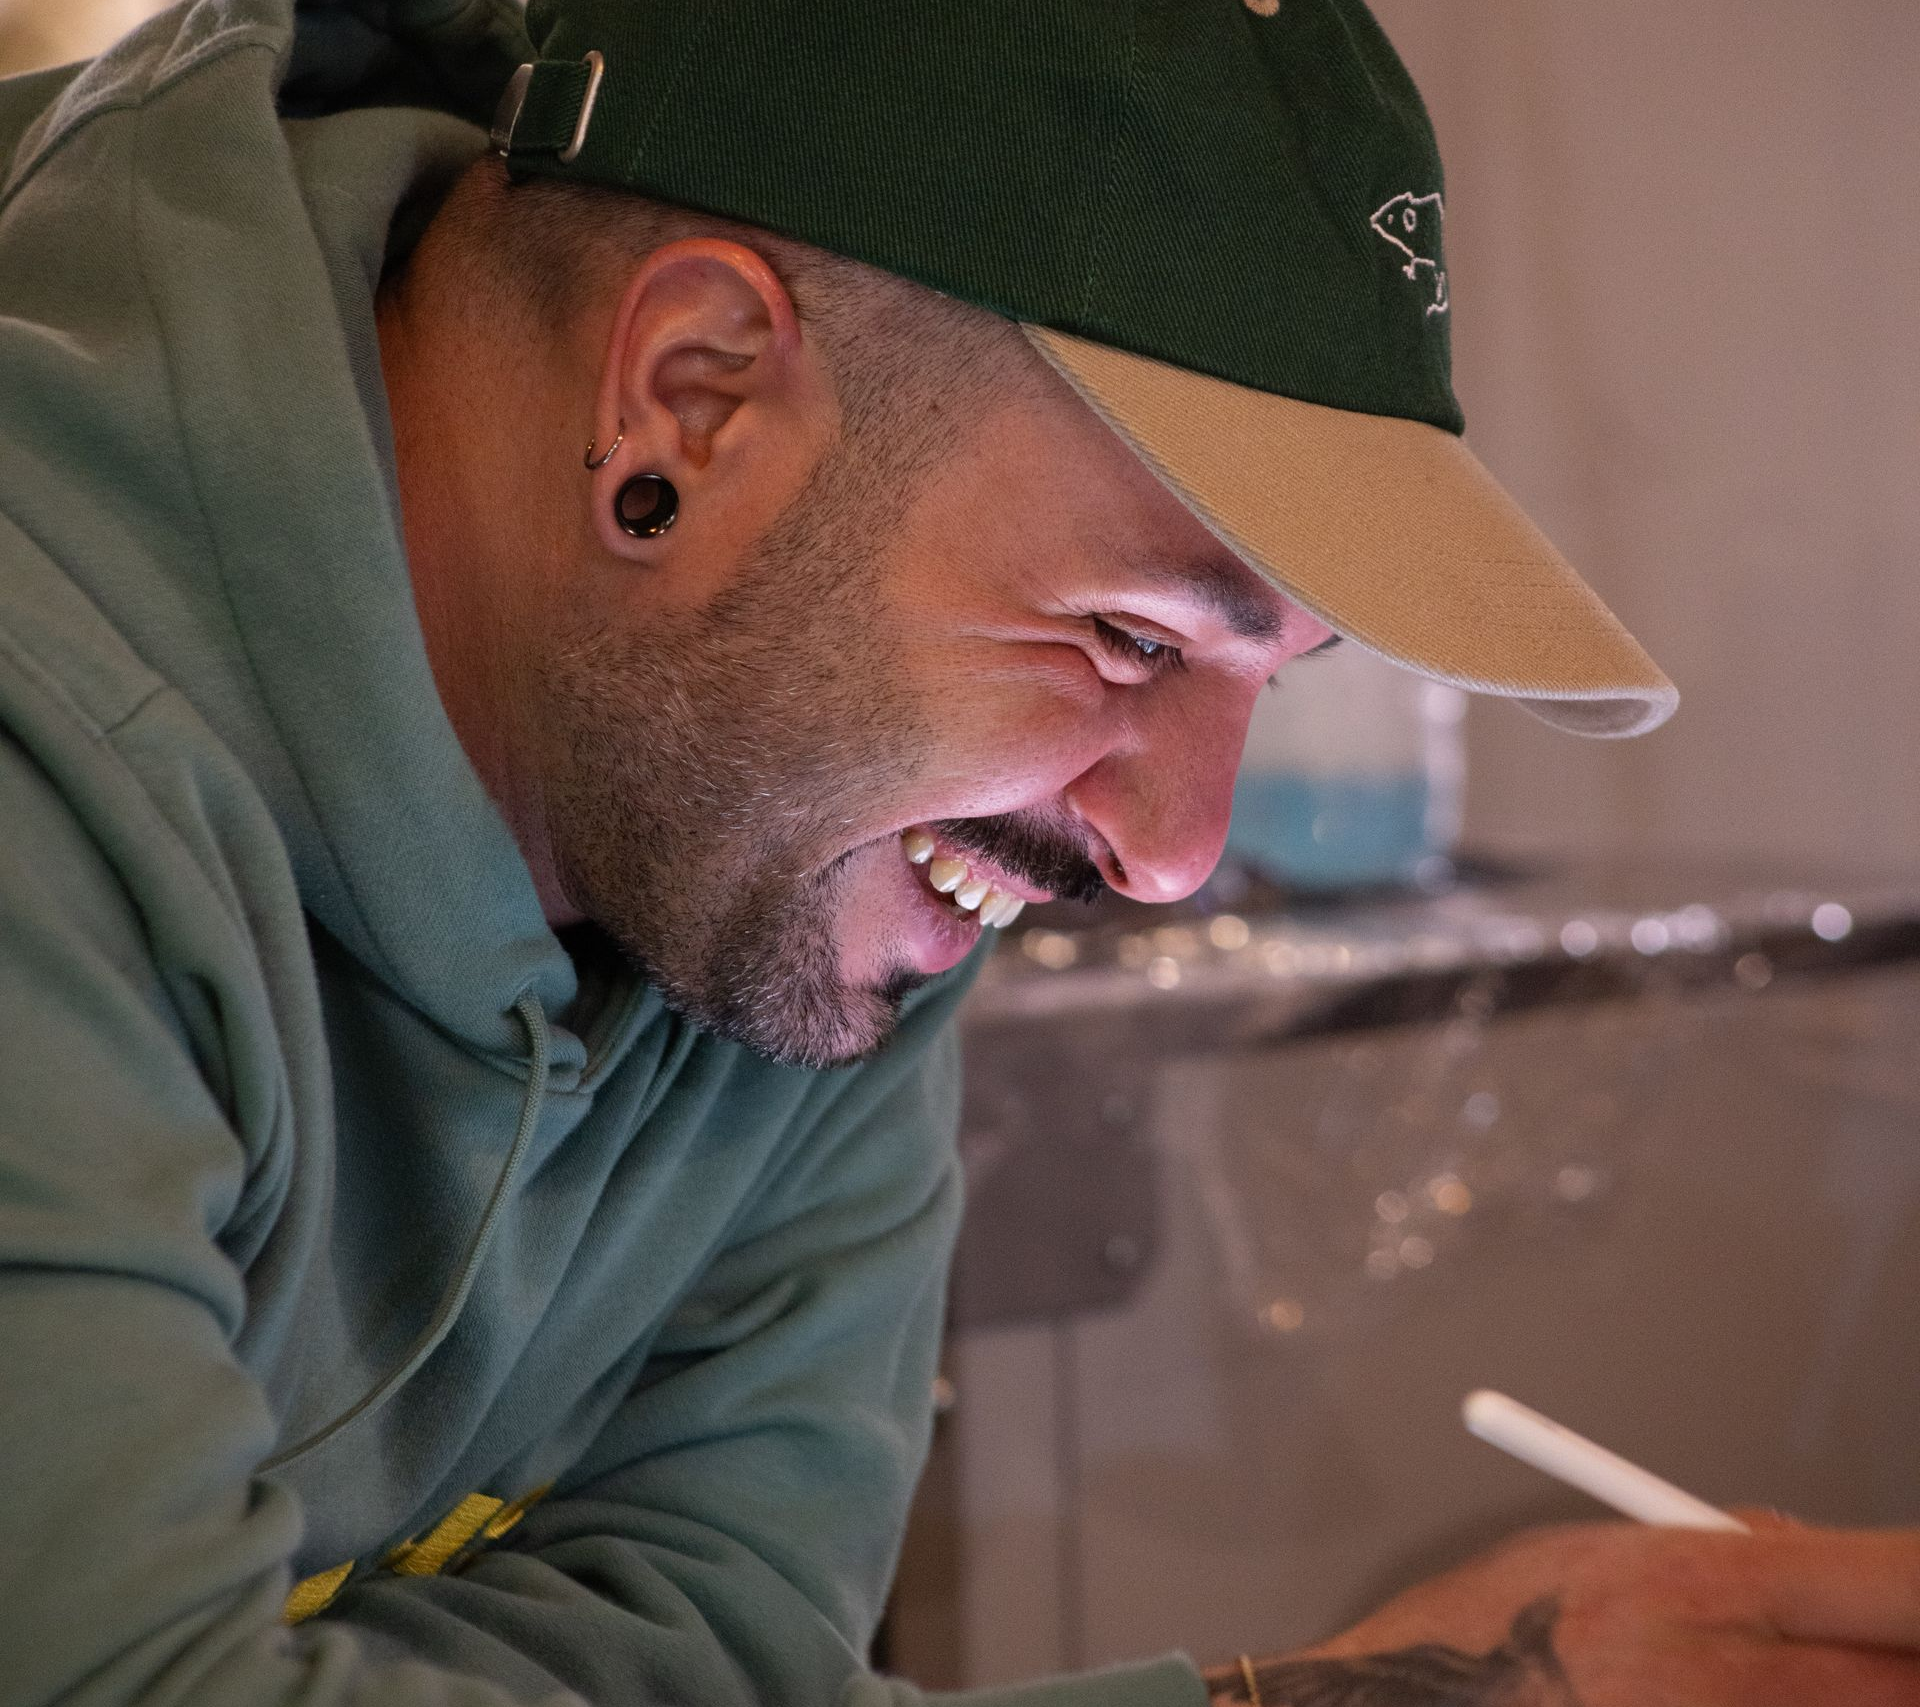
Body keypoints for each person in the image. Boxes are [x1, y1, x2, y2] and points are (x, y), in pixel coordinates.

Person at [1, 1, 1915, 1705]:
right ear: (694, 396)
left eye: (1267, 676)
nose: (1174, 854)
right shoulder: (53, 757)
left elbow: (743, 1645)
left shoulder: (774, 834)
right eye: (1131, 638)